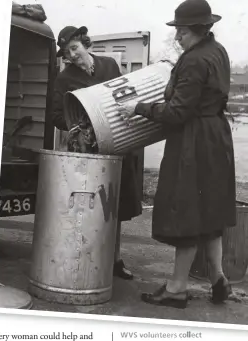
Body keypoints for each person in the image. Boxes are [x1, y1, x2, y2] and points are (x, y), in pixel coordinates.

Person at [119, 0, 236, 308]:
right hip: (216, 137)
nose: (177, 37)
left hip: (193, 141)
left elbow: (177, 113)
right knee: (209, 210)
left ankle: (176, 288)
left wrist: (139, 107)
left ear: (195, 30)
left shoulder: (194, 60)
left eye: (180, 32)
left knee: (186, 210)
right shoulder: (217, 51)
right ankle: (219, 279)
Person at [52, 25, 143, 280]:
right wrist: (76, 126)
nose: (72, 55)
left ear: (84, 43)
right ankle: (86, 258)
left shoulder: (110, 66)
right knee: (88, 206)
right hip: (86, 151)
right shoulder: (64, 79)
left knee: (114, 205)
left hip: (116, 144)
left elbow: (125, 95)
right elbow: (56, 115)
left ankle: (114, 260)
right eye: (67, 53)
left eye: (74, 48)